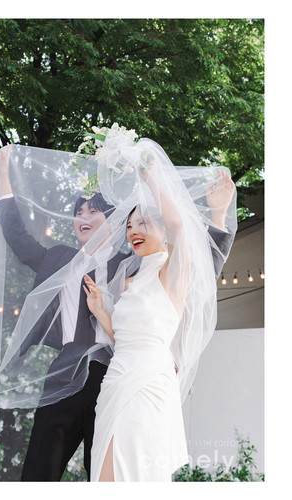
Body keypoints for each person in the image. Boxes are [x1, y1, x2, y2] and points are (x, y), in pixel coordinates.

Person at [0, 143, 235, 481]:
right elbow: (18, 239)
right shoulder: (58, 260)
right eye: (78, 212)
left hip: (115, 373)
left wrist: (218, 219)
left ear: (112, 221)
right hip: (63, 374)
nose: (82, 217)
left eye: (92, 211)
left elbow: (195, 268)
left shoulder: (134, 265)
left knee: (115, 470)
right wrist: (2, 182)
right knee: (38, 474)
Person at [82, 155, 234, 481]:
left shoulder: (173, 272)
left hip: (149, 383)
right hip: (115, 383)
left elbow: (178, 224)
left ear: (164, 231)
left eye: (144, 224)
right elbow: (124, 339)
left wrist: (148, 173)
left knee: (133, 469)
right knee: (105, 471)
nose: (133, 231)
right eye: (129, 226)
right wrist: (101, 313)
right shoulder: (129, 282)